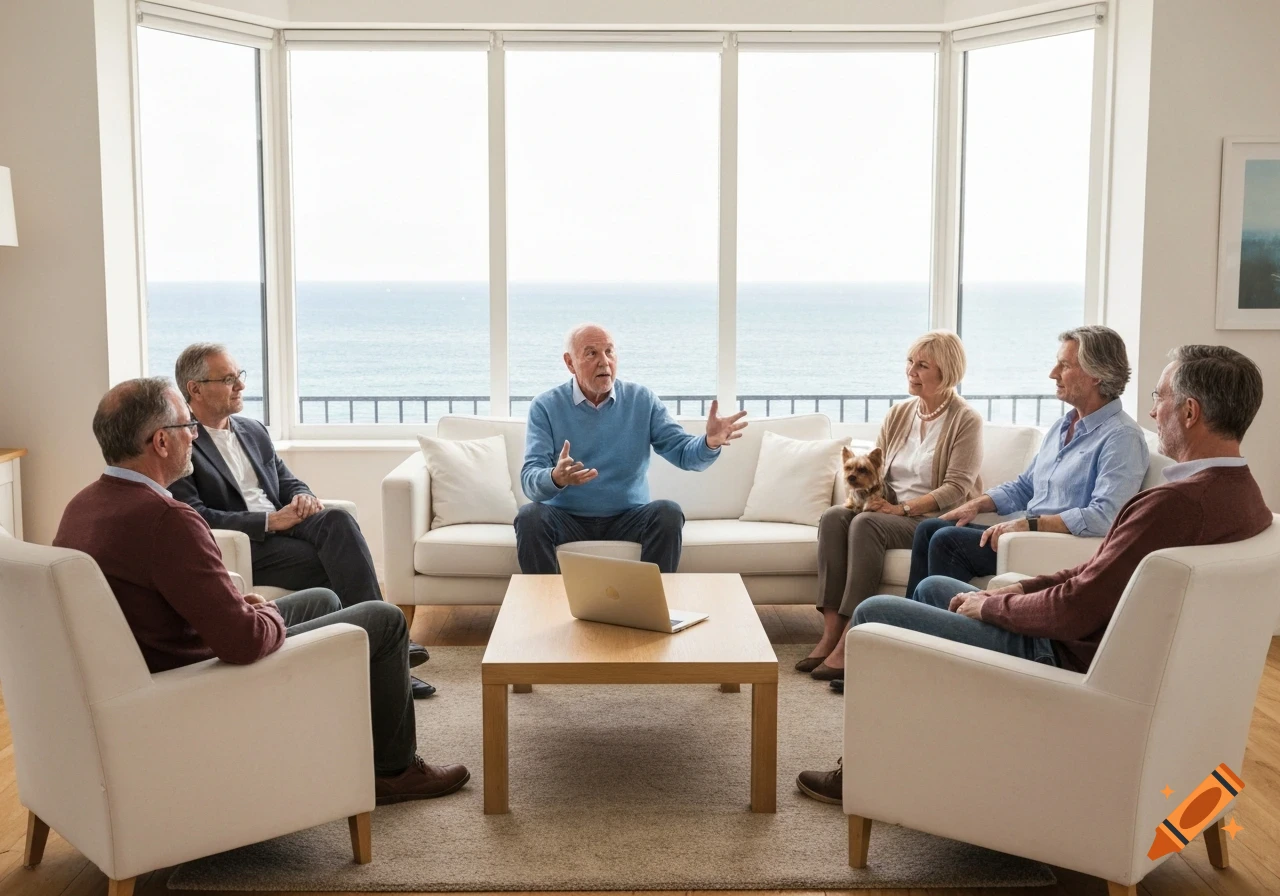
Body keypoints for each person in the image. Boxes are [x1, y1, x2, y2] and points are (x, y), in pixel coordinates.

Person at [797, 344, 1272, 803]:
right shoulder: (1247, 500)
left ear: (1189, 412)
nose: (1152, 413)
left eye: (1160, 398)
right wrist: (1024, 585)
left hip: (1061, 655)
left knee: (877, 612)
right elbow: (1098, 573)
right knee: (932, 586)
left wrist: (996, 603)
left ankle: (864, 771)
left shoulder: (1174, 505)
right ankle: (921, 711)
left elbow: (1077, 606)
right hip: (1092, 638)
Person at [54, 378, 469, 804]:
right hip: (197, 678)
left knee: (323, 599)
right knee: (385, 619)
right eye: (187, 427)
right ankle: (394, 771)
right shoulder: (167, 519)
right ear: (161, 441)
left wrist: (242, 605)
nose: (195, 435)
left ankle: (353, 712)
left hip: (160, 661)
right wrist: (262, 612)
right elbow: (243, 641)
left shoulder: (83, 505)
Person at [168, 343, 436, 699]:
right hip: (248, 544)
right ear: (195, 388)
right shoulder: (183, 441)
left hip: (286, 526)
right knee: (339, 563)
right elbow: (196, 514)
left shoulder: (252, 430)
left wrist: (303, 496)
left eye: (239, 376)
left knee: (337, 520)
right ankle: (391, 654)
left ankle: (376, 652)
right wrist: (267, 521)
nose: (241, 386)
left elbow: (285, 479)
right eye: (228, 379)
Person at [903, 326, 1150, 600]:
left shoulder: (1121, 437)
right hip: (1025, 536)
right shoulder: (1064, 425)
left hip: (1051, 546)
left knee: (947, 541)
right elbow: (1025, 487)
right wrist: (976, 504)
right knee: (929, 529)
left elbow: (1106, 517)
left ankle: (941, 632)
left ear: (1096, 375)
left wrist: (1030, 525)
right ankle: (905, 626)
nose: (1053, 373)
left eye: (1064, 365)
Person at [797, 330, 984, 681]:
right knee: (836, 516)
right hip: (890, 508)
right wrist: (872, 502)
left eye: (922, 365)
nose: (911, 371)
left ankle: (853, 636)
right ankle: (830, 632)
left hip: (930, 518)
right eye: (910, 362)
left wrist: (903, 510)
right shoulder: (899, 414)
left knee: (866, 523)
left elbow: (957, 488)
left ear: (947, 371)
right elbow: (878, 471)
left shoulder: (966, 420)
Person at [515, 323, 748, 574]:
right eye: (592, 353)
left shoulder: (641, 400)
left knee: (668, 512)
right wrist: (555, 477)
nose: (604, 362)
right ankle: (547, 605)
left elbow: (683, 452)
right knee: (530, 518)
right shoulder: (545, 406)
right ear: (570, 363)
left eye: (609, 352)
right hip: (567, 519)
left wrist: (709, 442)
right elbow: (530, 479)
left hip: (628, 518)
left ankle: (649, 606)